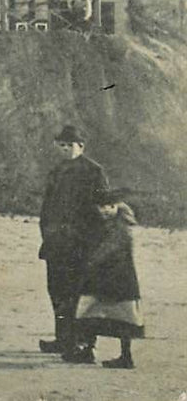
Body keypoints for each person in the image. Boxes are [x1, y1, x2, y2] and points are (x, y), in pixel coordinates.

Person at [38, 124, 109, 362]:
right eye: (62, 145)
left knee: (79, 294)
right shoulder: (57, 171)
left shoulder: (94, 171)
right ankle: (63, 340)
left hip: (81, 245)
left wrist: (93, 242)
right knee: (56, 291)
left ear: (81, 146)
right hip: (56, 242)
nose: (66, 149)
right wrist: (46, 233)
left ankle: (82, 344)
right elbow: (47, 207)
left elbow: (102, 209)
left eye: (70, 145)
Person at [74, 188, 145, 369]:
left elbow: (108, 249)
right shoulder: (104, 224)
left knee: (122, 317)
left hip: (117, 278)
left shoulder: (121, 226)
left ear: (117, 207)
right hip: (106, 277)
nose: (105, 210)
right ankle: (89, 349)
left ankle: (125, 356)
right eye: (101, 206)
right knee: (92, 312)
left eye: (110, 206)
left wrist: (89, 262)